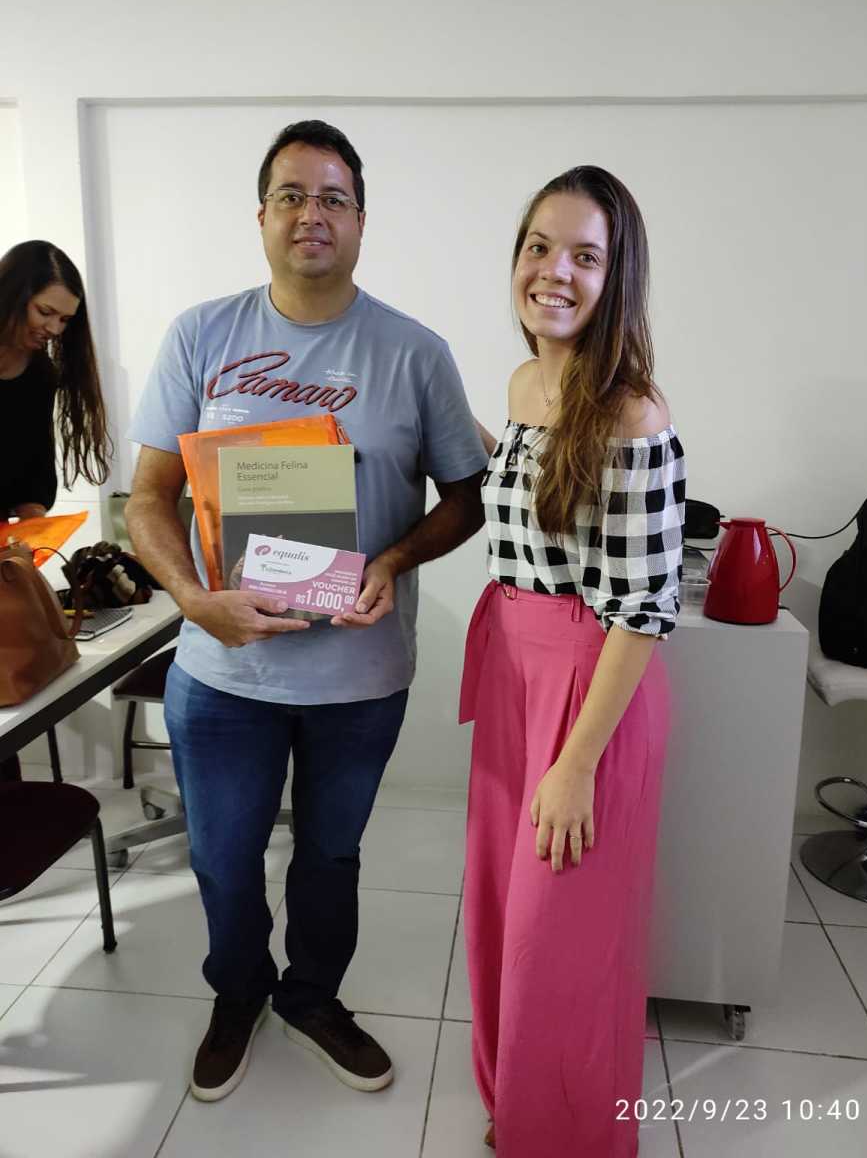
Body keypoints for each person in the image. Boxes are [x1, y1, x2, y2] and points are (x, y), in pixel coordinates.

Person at [125, 119, 486, 1103]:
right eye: (291, 195)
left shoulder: (415, 352)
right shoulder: (201, 334)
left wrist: (396, 558)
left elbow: (466, 496)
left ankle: (312, 997)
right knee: (221, 857)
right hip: (222, 671)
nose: (311, 214)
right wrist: (193, 599)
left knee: (330, 855)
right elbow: (147, 499)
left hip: (358, 676)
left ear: (362, 220)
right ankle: (238, 991)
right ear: (262, 217)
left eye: (332, 197)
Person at [459, 166, 686, 1156]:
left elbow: (641, 610)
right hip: (514, 673)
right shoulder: (524, 385)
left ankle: (567, 1136)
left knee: (564, 937)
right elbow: (533, 499)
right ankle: (519, 1107)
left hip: (590, 693)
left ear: (615, 277)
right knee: (507, 914)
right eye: (538, 247)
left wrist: (577, 762)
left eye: (584, 256)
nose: (554, 271)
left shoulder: (633, 413)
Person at [0, 240, 111, 521]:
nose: (54, 329)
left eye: (65, 320)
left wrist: (34, 521)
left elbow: (34, 476)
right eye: (45, 312)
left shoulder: (39, 374)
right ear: (10, 295)